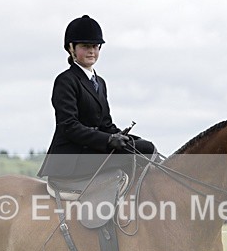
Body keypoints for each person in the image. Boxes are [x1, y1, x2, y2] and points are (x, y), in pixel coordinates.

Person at [38, 15, 155, 179]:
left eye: (95, 46)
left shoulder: (100, 82)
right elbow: (69, 126)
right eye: (85, 46)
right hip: (72, 157)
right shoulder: (66, 80)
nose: (92, 51)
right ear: (72, 48)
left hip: (92, 151)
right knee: (140, 151)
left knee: (145, 147)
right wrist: (108, 140)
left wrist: (125, 138)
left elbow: (106, 124)